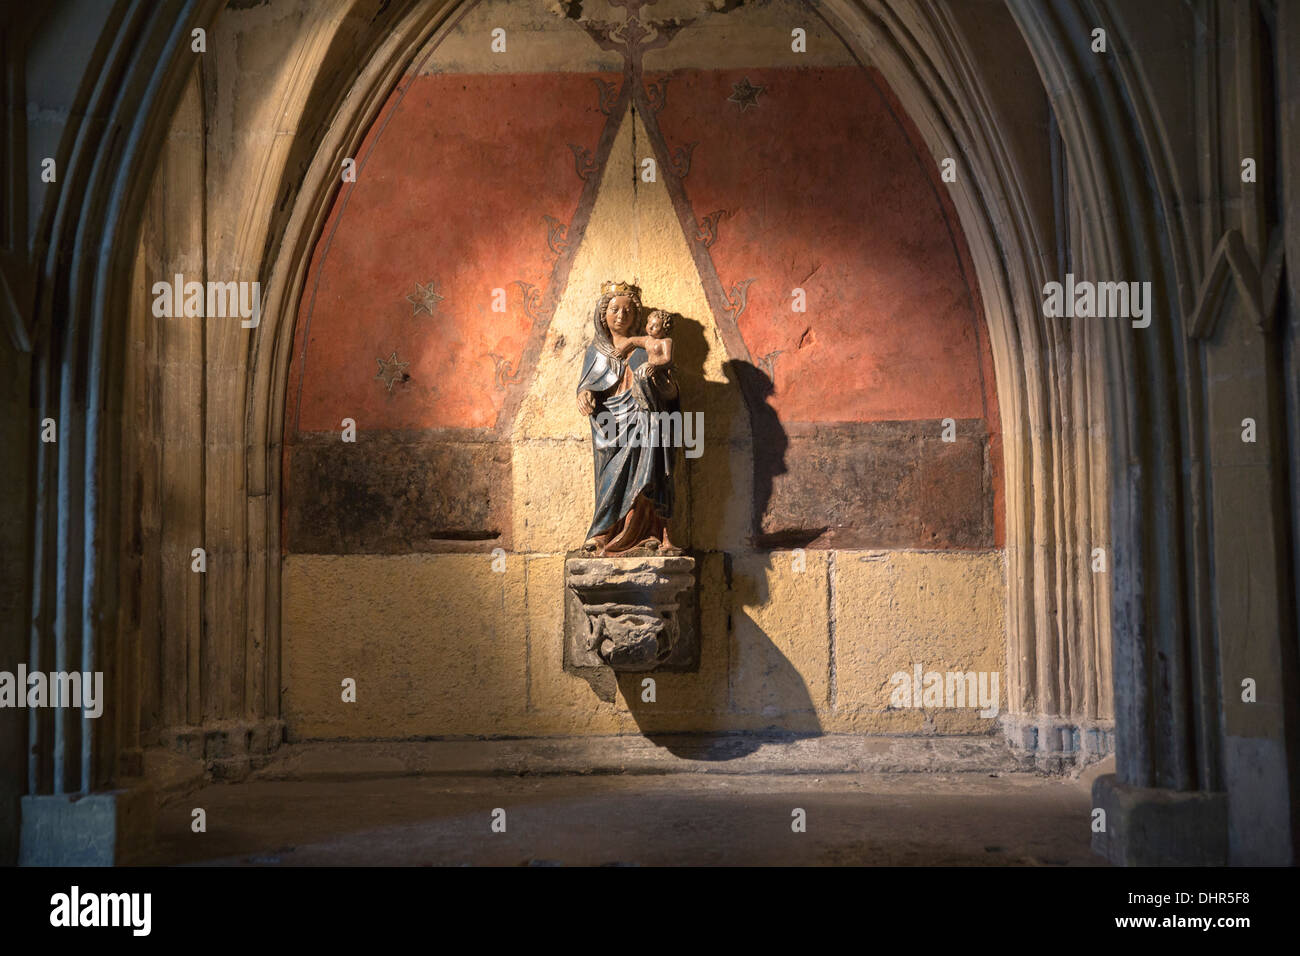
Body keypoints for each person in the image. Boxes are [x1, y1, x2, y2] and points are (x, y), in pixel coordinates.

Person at [575, 283, 681, 555]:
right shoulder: (595, 352)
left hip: (644, 422)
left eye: (628, 310)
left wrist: (656, 389)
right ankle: (603, 532)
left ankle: (646, 531)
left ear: (637, 315)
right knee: (610, 475)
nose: (621, 315)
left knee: (647, 467)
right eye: (614, 310)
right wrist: (584, 393)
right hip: (609, 425)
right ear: (603, 314)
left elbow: (671, 391)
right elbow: (588, 384)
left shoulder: (648, 348)